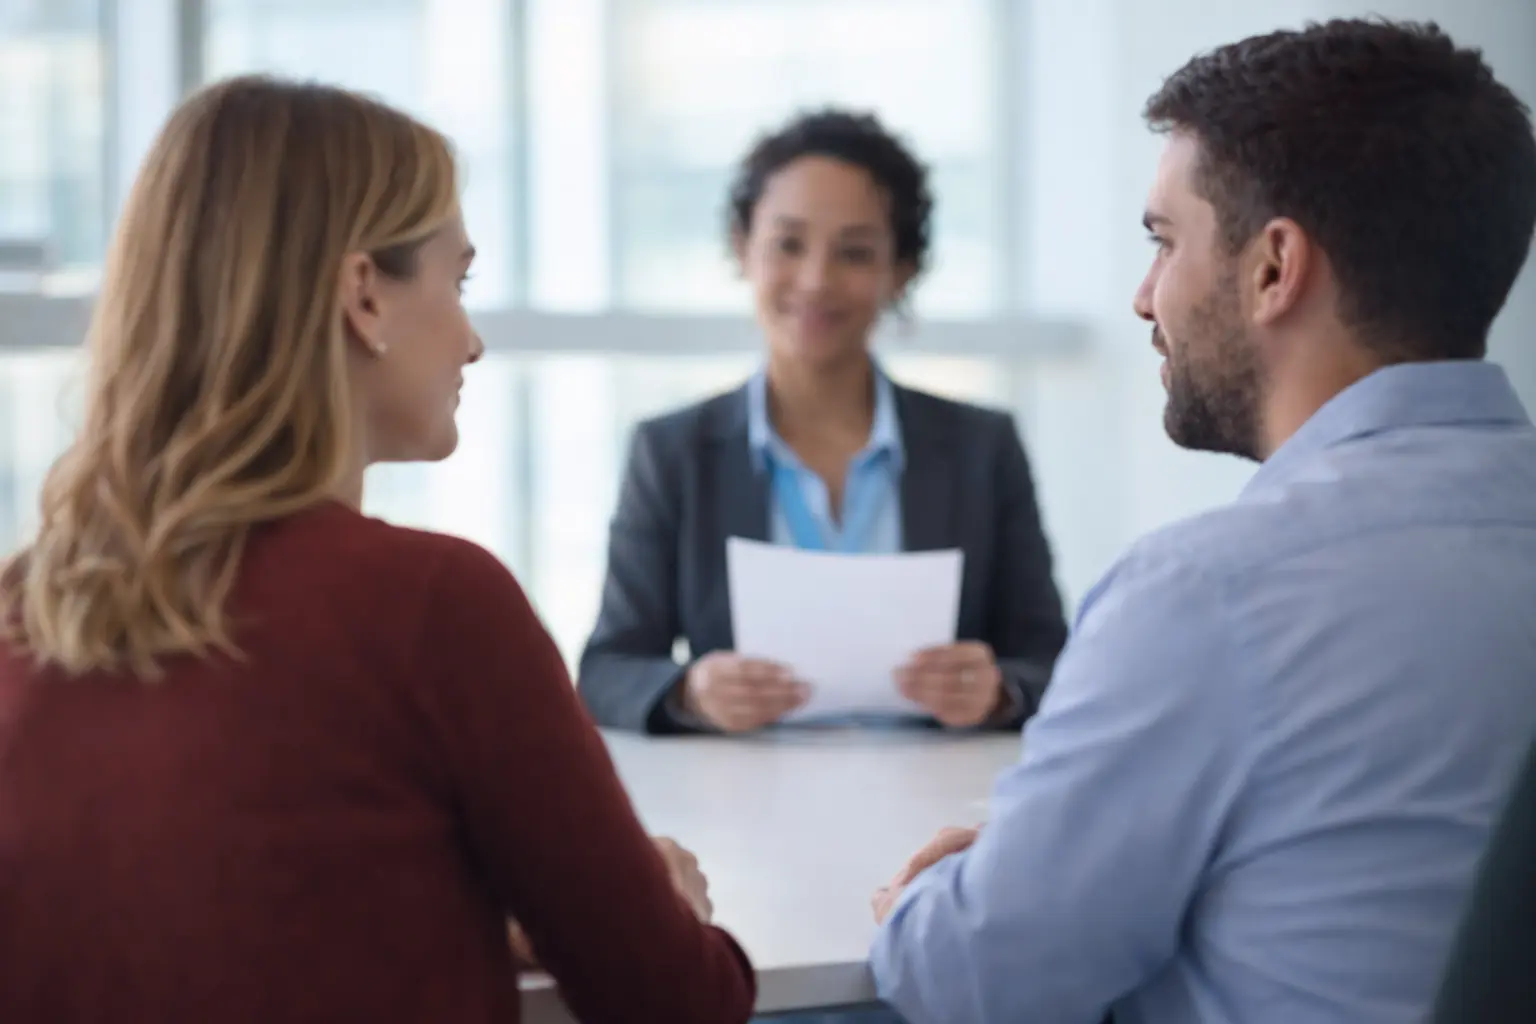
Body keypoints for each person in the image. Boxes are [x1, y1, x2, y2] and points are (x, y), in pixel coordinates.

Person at [0, 76, 755, 1024]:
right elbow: (676, 1000)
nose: (473, 341)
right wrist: (674, 914)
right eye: (458, 280)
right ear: (365, 294)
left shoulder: (28, 604)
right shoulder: (434, 604)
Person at [867, 18, 1536, 1024]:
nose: (1145, 299)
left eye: (1163, 240)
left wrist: (935, 900)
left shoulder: (1210, 591)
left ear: (1273, 268)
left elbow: (978, 980)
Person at [578, 109, 1068, 736]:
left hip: (937, 805)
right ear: (741, 249)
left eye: (855, 252)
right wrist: (688, 693)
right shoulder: (673, 451)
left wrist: (998, 692)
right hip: (737, 802)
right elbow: (607, 670)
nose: (816, 280)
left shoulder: (982, 447)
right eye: (788, 244)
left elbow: (1053, 664)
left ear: (902, 270)